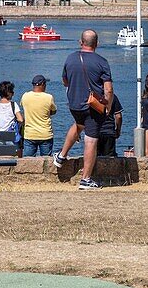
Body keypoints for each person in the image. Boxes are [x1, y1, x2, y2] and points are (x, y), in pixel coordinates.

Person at [54, 29, 114, 190]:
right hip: (92, 106)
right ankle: (86, 179)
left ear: (81, 42)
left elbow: (65, 81)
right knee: (91, 139)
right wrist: (108, 105)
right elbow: (108, 89)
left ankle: (61, 156)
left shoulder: (70, 58)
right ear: (97, 44)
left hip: (74, 104)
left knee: (79, 125)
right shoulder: (102, 62)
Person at [20, 74, 57, 157]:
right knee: (46, 162)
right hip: (45, 134)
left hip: (30, 134)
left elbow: (24, 107)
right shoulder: (49, 97)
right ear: (43, 84)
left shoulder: (25, 96)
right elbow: (54, 111)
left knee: (27, 162)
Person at [0, 82, 23, 151]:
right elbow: (21, 119)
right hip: (10, 136)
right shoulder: (13, 105)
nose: (13, 94)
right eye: (12, 92)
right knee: (15, 153)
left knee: (0, 154)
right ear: (9, 93)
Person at [97, 93, 123, 158]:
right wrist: (118, 130)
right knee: (110, 159)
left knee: (93, 159)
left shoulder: (91, 96)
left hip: (94, 132)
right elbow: (118, 116)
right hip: (109, 131)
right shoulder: (112, 97)